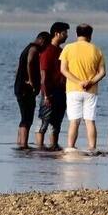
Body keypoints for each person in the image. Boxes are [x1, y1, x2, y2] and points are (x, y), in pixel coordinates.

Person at [58, 23, 106, 152]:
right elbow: (102, 72)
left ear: (76, 34)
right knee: (90, 121)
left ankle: (71, 147)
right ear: (90, 35)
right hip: (91, 91)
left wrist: (78, 82)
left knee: (74, 121)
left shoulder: (68, 48)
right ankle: (92, 148)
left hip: (73, 90)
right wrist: (89, 82)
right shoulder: (96, 50)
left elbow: (63, 70)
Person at [34, 22, 71, 150]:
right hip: (50, 91)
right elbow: (43, 75)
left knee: (56, 123)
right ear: (57, 34)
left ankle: (53, 146)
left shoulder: (61, 51)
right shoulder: (47, 51)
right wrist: (46, 94)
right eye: (65, 33)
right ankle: (39, 147)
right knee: (44, 121)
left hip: (61, 91)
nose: (66, 35)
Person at [12, 31, 50, 150]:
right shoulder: (34, 49)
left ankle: (20, 143)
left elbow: (18, 68)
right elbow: (29, 62)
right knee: (27, 118)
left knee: (24, 117)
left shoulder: (27, 48)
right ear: (42, 40)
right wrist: (31, 82)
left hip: (19, 87)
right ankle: (24, 144)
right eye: (46, 45)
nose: (45, 48)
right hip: (25, 88)